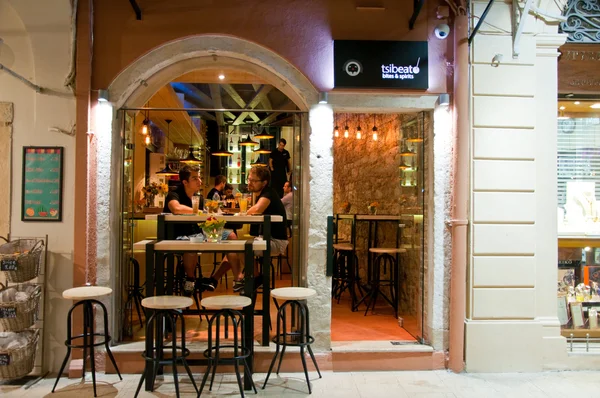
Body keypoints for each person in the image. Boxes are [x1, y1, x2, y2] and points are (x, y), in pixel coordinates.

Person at [212, 166, 288, 293]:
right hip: (265, 238)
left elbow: (257, 209)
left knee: (240, 246)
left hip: (276, 242)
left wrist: (243, 213)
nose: (249, 183)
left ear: (264, 182)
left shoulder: (269, 193)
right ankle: (214, 279)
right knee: (233, 248)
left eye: (253, 180)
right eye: (249, 179)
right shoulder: (261, 194)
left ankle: (255, 278)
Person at [163, 165, 214, 296]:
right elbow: (176, 209)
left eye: (199, 178)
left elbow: (205, 219)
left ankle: (217, 279)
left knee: (230, 236)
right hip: (174, 236)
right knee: (191, 245)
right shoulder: (174, 194)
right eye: (195, 178)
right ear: (185, 182)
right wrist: (199, 212)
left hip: (195, 234)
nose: (200, 181)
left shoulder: (199, 198)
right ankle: (190, 280)